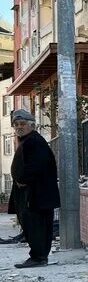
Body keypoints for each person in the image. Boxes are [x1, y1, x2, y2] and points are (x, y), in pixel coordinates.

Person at [8, 109, 60, 268]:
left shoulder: (34, 141)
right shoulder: (28, 140)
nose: (19, 127)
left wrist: (23, 180)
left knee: (36, 225)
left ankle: (38, 257)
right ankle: (39, 256)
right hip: (32, 193)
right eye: (16, 124)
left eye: (22, 124)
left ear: (31, 125)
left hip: (36, 194)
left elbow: (38, 165)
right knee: (32, 224)